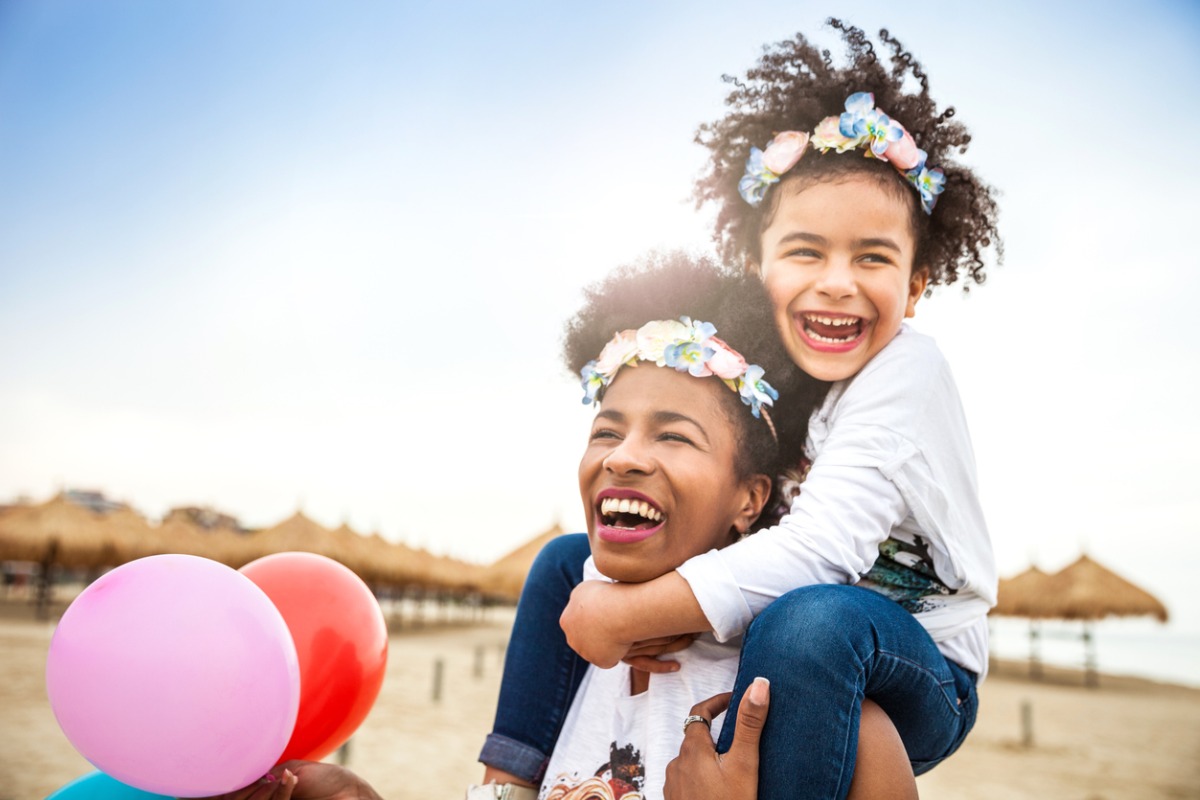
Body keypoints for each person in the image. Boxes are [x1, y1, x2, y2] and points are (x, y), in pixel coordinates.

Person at [478, 20, 1002, 800]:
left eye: (872, 257)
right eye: (805, 251)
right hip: (792, 629)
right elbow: (738, 507)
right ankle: (508, 784)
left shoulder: (906, 369)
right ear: (758, 264)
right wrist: (669, 608)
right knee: (562, 563)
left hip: (916, 658)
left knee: (813, 625)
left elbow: (823, 547)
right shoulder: (776, 379)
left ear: (918, 284)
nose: (834, 281)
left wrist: (633, 614)